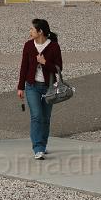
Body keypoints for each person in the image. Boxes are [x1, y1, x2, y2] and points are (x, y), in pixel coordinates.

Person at [17, 18, 63, 159]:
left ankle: (42, 144)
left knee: (46, 117)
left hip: (49, 87)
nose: (30, 31)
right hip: (32, 86)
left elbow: (59, 68)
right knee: (36, 116)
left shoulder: (54, 46)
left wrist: (44, 62)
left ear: (40, 31)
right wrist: (20, 87)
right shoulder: (28, 45)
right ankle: (38, 148)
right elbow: (24, 66)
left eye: (32, 29)